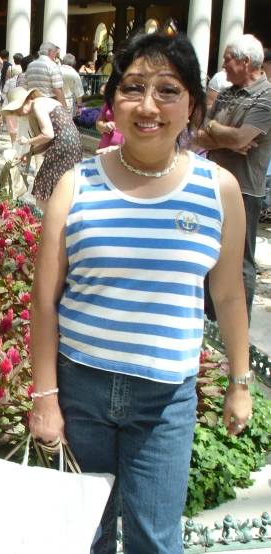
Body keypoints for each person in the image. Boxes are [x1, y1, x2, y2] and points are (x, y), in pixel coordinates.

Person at [30, 32, 252, 554]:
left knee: (156, 539)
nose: (148, 105)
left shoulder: (219, 190)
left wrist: (239, 382)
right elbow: (44, 298)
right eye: (133, 87)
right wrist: (45, 398)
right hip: (80, 386)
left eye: (168, 90)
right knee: (84, 536)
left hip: (165, 399)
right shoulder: (76, 183)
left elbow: (228, 296)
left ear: (193, 104)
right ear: (112, 102)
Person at [194, 34, 271, 324]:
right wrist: (225, 137)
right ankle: (209, 320)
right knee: (207, 250)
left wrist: (220, 134)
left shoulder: (267, 96)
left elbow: (242, 137)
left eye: (228, 58)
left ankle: (237, 324)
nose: (223, 64)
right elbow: (198, 133)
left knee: (239, 260)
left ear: (246, 61)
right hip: (213, 183)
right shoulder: (226, 92)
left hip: (245, 190)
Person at [0, 86, 82, 212]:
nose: (17, 114)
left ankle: (42, 217)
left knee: (44, 180)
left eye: (16, 109)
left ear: (25, 102)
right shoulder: (45, 102)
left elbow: (48, 135)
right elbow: (50, 139)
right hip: (72, 145)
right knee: (62, 183)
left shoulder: (38, 105)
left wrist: (28, 141)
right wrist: (30, 153)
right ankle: (56, 213)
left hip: (64, 146)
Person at [25, 42, 67, 109]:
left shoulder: (30, 65)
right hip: (49, 104)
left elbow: (25, 85)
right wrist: (64, 108)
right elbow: (58, 89)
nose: (55, 56)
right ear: (50, 52)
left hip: (33, 103)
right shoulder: (52, 66)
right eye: (55, 53)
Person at [1, 64, 23, 144]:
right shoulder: (24, 80)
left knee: (11, 126)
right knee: (20, 125)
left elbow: (3, 94)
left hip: (10, 105)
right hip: (21, 105)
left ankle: (13, 144)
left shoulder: (9, 81)